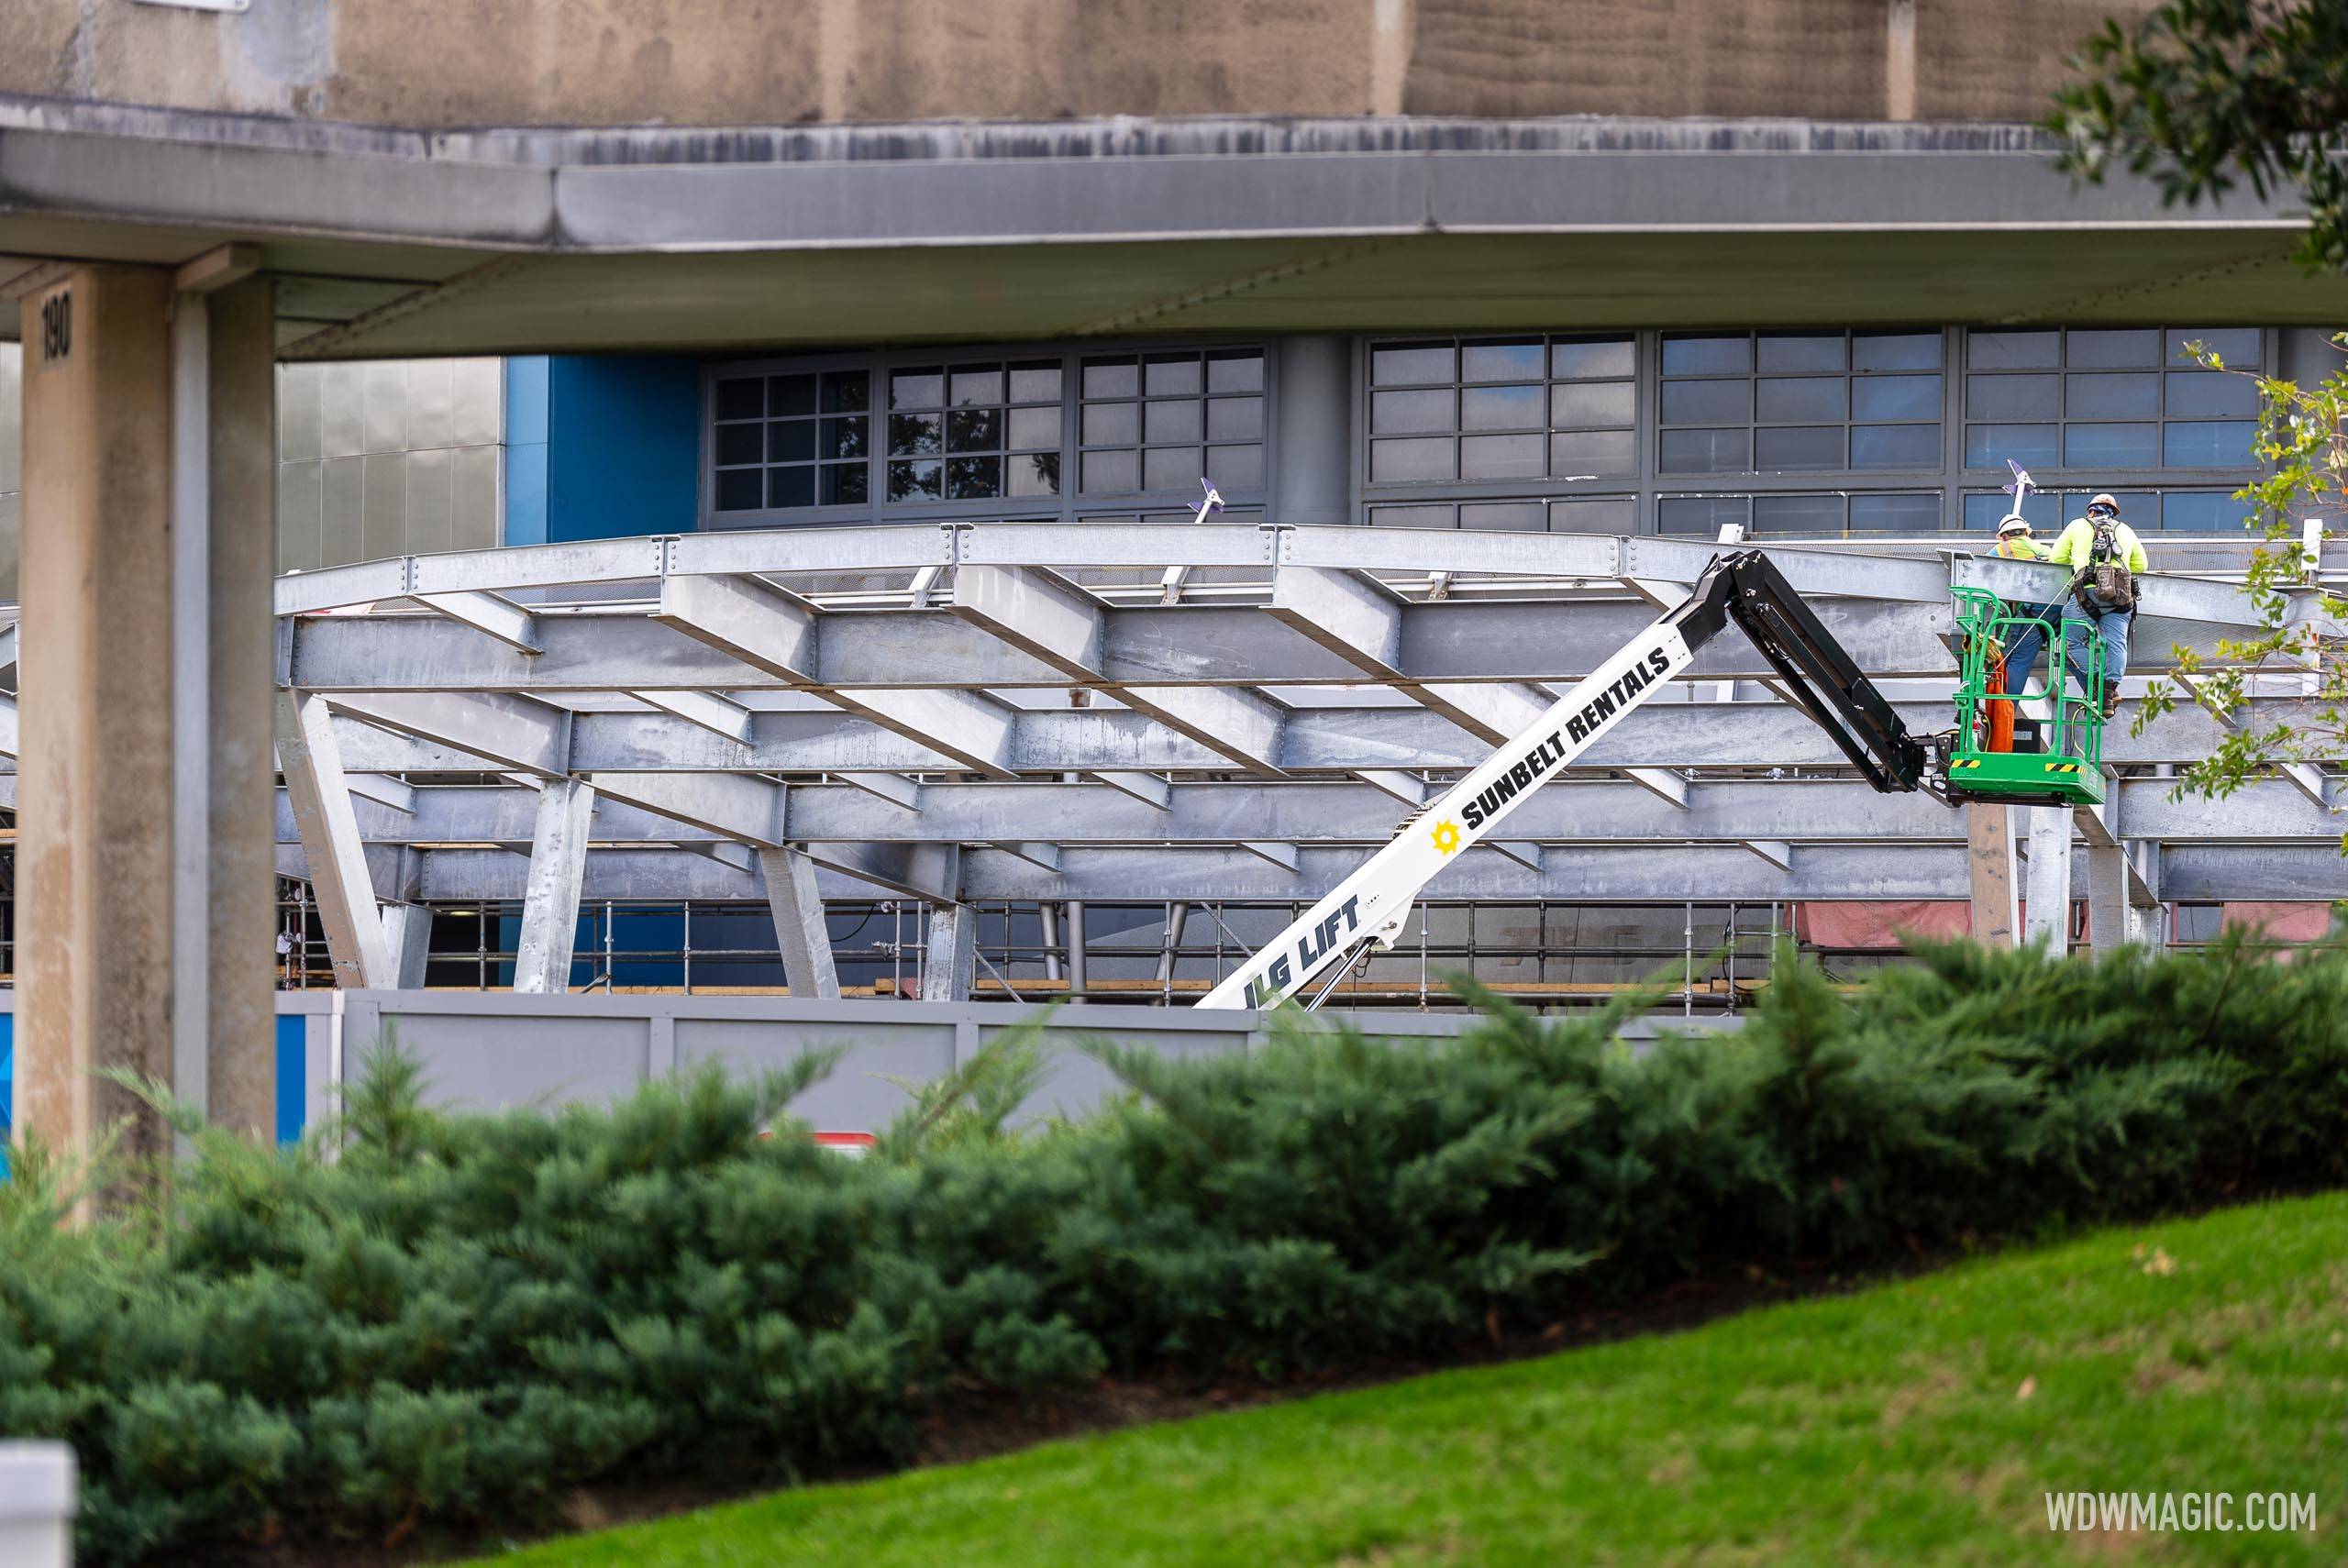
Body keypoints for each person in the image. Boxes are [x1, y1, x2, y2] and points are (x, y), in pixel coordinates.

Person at [2045, 492, 2149, 720]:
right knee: (2116, 643)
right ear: (2114, 512)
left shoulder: (2078, 525)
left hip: (2087, 594)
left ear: (2091, 510)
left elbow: (2056, 558)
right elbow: (2141, 565)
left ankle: (2096, 685)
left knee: (2071, 642)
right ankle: (2109, 692)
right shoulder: (2126, 530)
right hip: (2120, 598)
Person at [1986, 514, 2059, 695]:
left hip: (2029, 612)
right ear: (2027, 532)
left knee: (2014, 661)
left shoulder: (2002, 549)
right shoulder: (2047, 550)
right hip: (2054, 612)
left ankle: (2004, 714)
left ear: (2003, 535)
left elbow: (1978, 573)